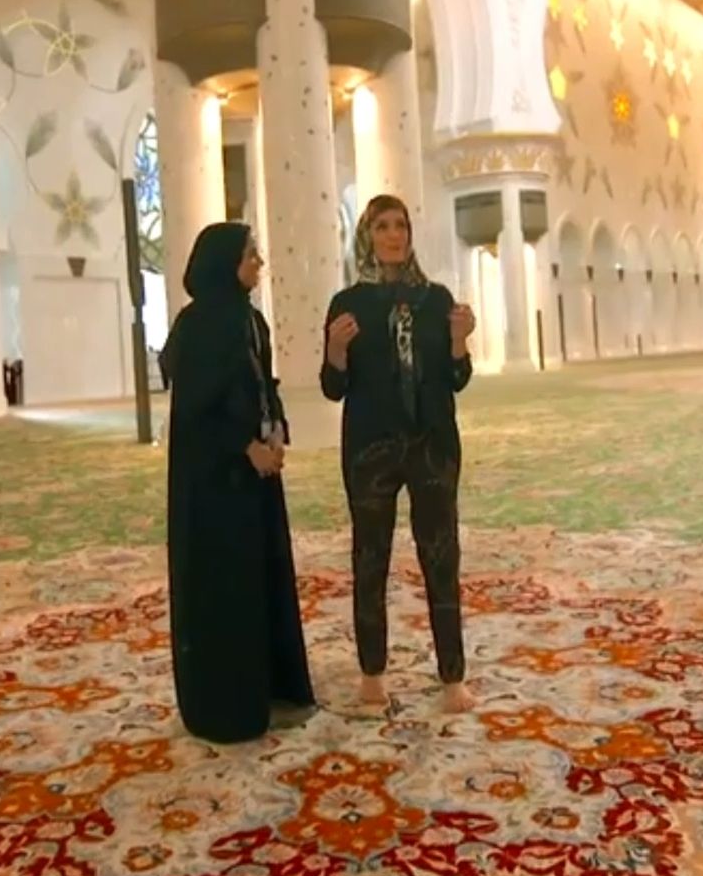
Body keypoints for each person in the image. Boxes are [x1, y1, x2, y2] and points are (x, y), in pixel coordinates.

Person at [320, 195, 478, 714]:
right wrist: (335, 350)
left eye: (401, 225)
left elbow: (457, 378)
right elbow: (333, 388)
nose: (394, 235)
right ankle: (372, 674)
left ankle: (452, 677)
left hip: (433, 447)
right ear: (367, 236)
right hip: (371, 450)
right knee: (371, 559)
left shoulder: (436, 300)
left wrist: (458, 341)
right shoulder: (348, 304)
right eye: (383, 226)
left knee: (441, 557)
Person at [161, 221, 316, 743]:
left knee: (261, 575)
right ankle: (225, 705)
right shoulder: (198, 325)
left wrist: (276, 434)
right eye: (251, 255)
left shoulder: (251, 321)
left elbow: (263, 384)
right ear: (225, 262)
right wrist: (245, 447)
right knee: (224, 586)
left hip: (256, 477)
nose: (258, 263)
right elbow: (195, 410)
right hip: (213, 483)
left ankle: (272, 687)